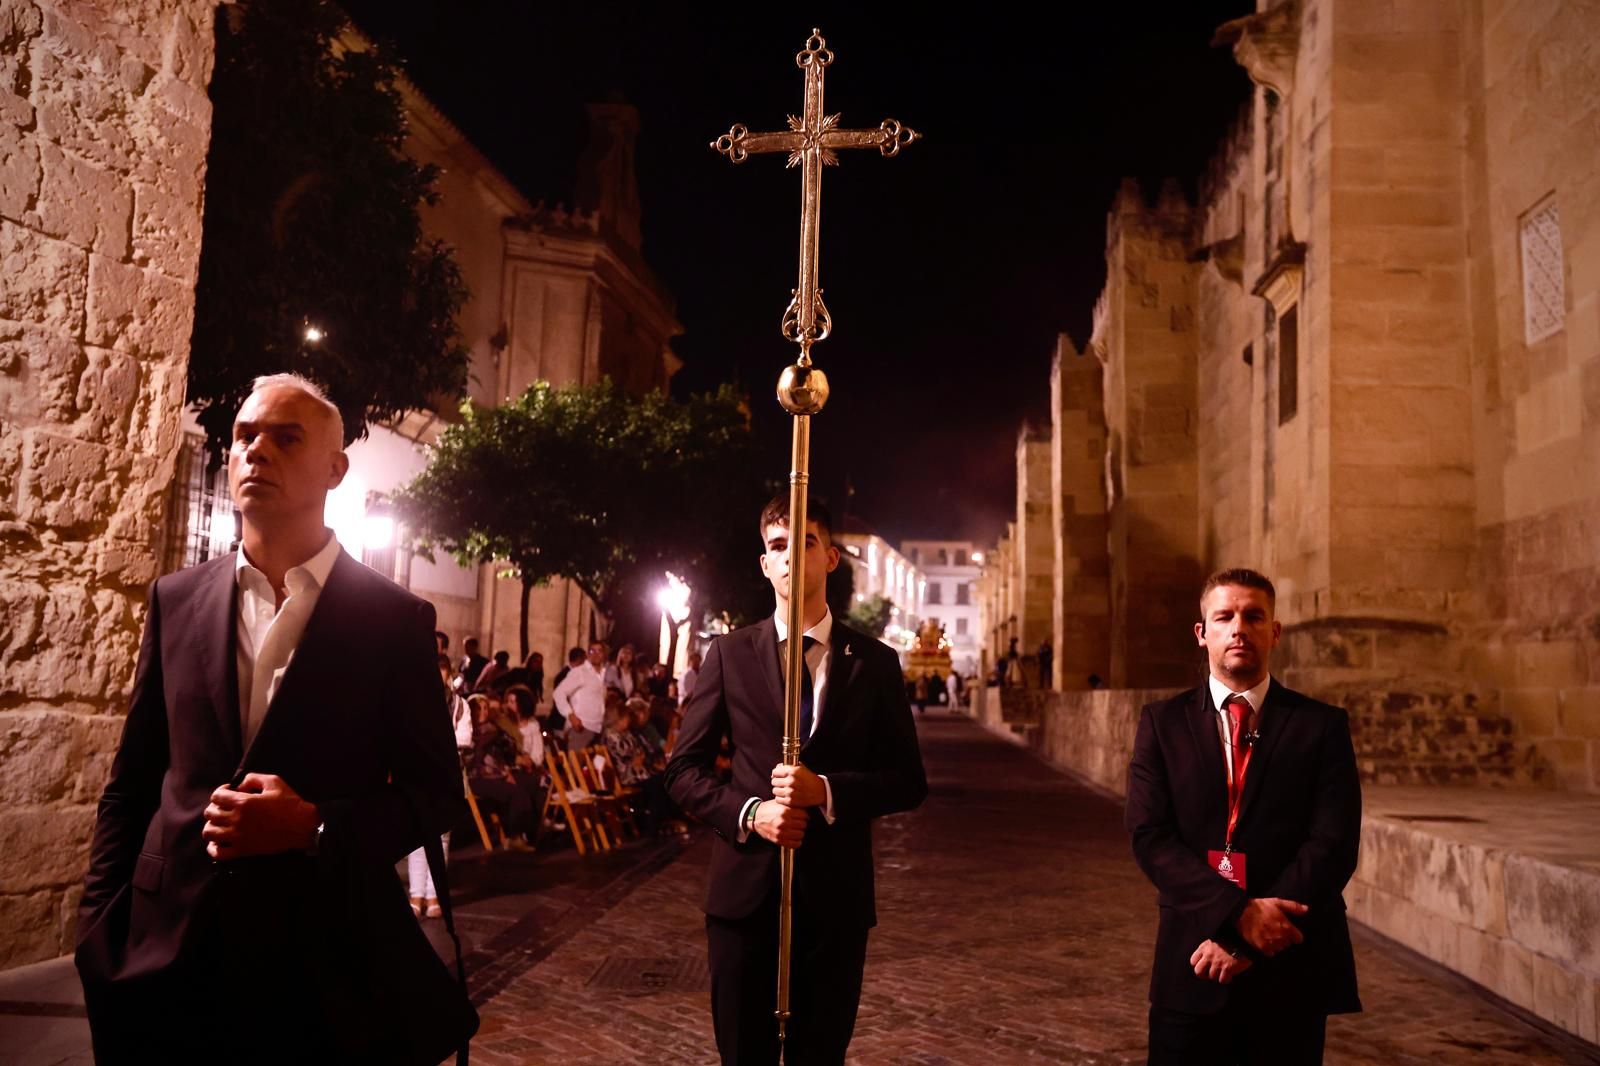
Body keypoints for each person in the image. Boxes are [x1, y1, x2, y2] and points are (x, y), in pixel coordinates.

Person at [75, 373, 470, 1065]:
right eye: (245, 437)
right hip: (166, 959)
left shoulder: (393, 619)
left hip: (318, 971)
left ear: (334, 469)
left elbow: (433, 793)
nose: (257, 452)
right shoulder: (176, 599)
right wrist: (97, 930)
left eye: (286, 439)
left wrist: (315, 826)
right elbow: (134, 781)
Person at [665, 495, 927, 1066]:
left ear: (830, 557)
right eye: (777, 546)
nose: (789, 557)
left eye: (804, 543)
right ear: (764, 564)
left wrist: (827, 792)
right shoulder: (729, 654)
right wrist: (750, 813)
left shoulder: (875, 664)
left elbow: (908, 780)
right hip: (744, 902)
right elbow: (682, 771)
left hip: (835, 904)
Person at [1125, 568, 1361, 1066]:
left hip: (1289, 962)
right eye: (1225, 616)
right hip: (1192, 960)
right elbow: (1151, 837)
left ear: (1274, 632)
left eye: (1254, 616)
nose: (1239, 628)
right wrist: (1236, 916)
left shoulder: (1321, 726)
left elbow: (1332, 843)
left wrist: (1244, 938)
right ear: (1202, 632)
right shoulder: (1161, 724)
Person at [408, 655, 476, 920]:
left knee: (442, 836)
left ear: (449, 675)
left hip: (447, 775)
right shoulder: (415, 702)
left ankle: (434, 893)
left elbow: (464, 738)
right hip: (419, 773)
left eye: (442, 671)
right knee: (416, 835)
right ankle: (416, 894)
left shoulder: (459, 705)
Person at [553, 640, 608, 749]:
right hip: (581, 727)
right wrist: (571, 716)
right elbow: (558, 693)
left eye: (599, 651)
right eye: (592, 651)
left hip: (597, 728)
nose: (596, 654)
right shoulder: (580, 672)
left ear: (604, 654)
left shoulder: (602, 674)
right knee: (575, 764)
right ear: (587, 654)